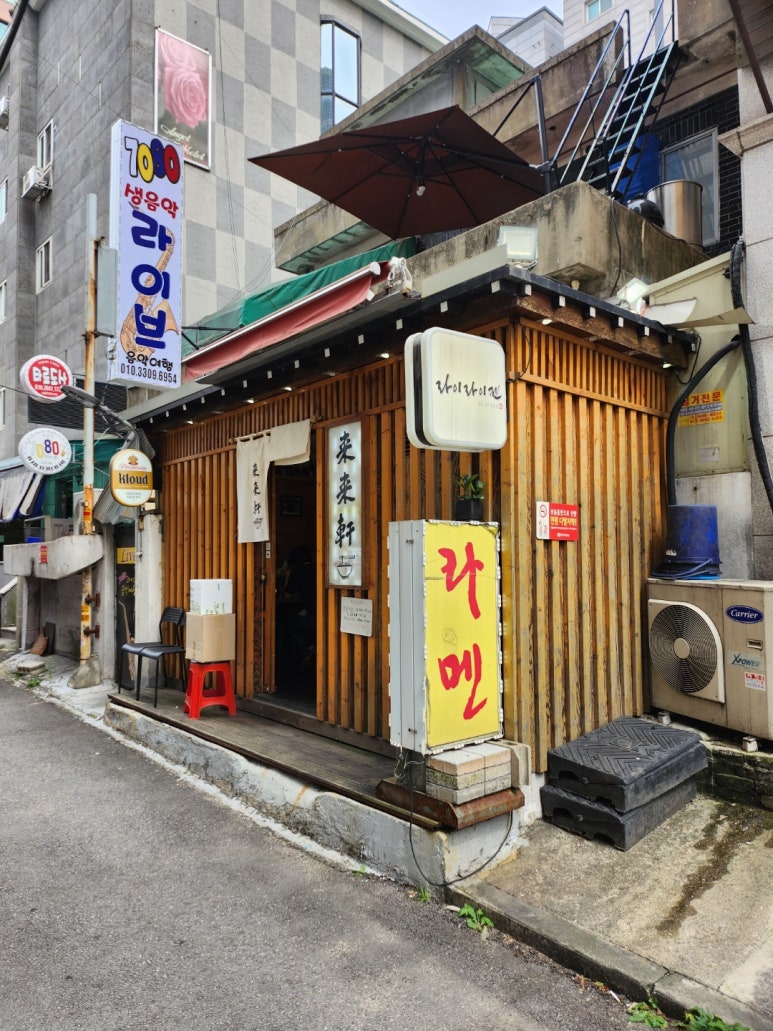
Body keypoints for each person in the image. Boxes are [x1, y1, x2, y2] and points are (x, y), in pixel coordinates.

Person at [277, 546, 316, 674]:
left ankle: (280, 661)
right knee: (296, 628)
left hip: (310, 617)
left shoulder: (298, 571)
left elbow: (288, 594)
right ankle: (310, 647)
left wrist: (288, 575)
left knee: (284, 625)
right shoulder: (318, 568)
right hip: (320, 615)